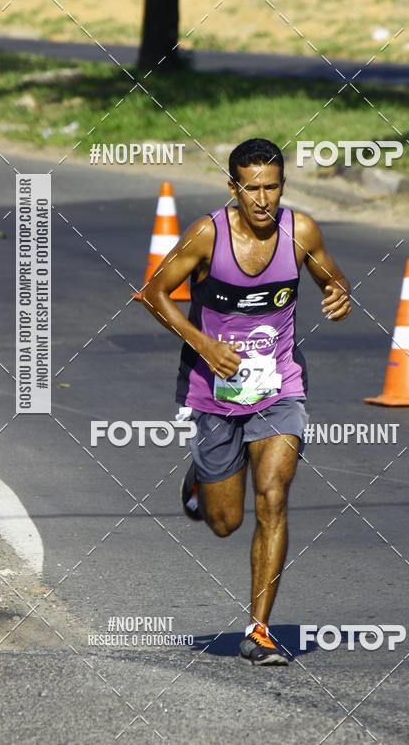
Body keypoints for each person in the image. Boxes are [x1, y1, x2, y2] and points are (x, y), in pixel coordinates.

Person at [143, 138, 351, 665]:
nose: (263, 200)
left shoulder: (299, 231)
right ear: (233, 187)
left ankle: (258, 630)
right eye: (252, 188)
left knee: (274, 496)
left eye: (272, 187)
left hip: (279, 384)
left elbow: (331, 274)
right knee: (224, 522)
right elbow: (154, 291)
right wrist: (205, 344)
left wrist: (338, 292)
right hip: (212, 391)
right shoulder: (207, 234)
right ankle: (201, 477)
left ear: (283, 185)